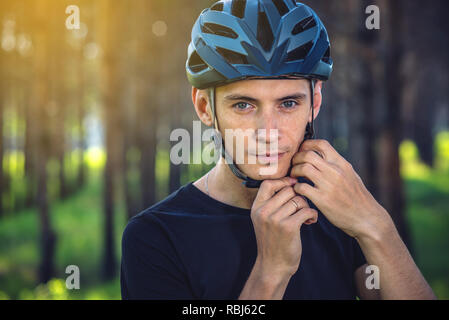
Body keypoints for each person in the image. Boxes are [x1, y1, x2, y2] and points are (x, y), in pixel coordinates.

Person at [120, 0, 436, 299]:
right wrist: (271, 273)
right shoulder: (155, 237)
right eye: (243, 105)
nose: (268, 132)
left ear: (316, 102)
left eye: (288, 103)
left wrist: (374, 225)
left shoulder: (339, 213)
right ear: (205, 107)